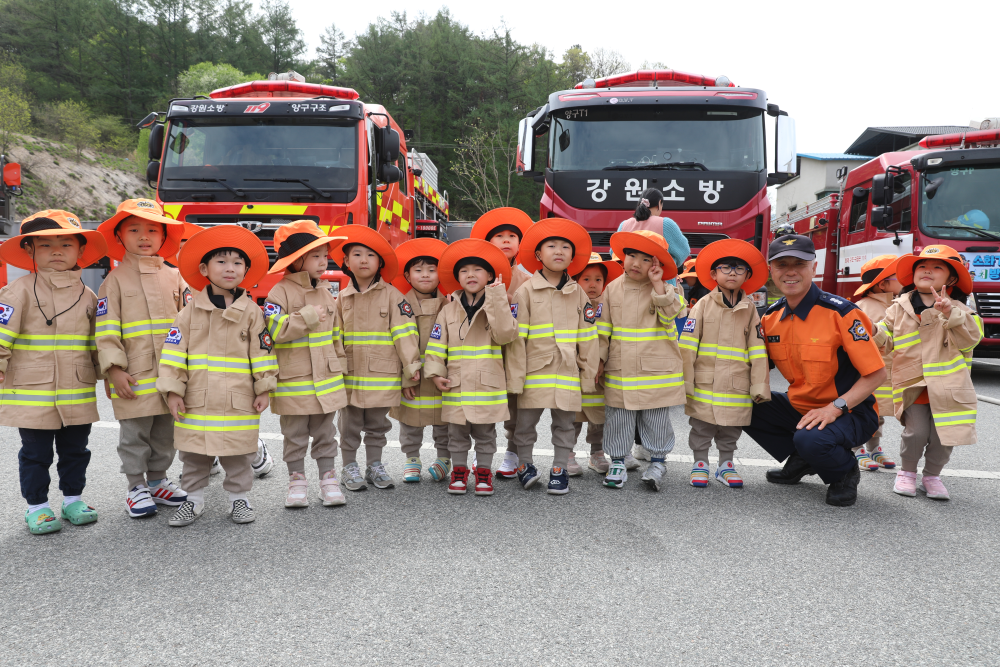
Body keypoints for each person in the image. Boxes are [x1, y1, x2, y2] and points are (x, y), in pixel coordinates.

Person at [745, 235, 886, 507]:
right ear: (771, 271)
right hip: (801, 407)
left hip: (850, 411)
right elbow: (756, 366)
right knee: (741, 403)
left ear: (814, 267)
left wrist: (834, 408)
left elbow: (877, 374)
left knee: (812, 439)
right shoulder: (770, 318)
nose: (790, 272)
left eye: (799, 263)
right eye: (782, 265)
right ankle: (804, 457)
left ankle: (844, 471)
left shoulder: (841, 313)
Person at [156, 225, 278, 526]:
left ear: (246, 271)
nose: (230, 268)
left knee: (239, 453)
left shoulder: (252, 312)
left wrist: (264, 388)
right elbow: (173, 353)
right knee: (194, 453)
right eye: (221, 261)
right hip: (196, 400)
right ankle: (193, 500)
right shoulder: (188, 312)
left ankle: (240, 500)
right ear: (204, 269)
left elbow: (262, 352)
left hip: (239, 401)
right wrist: (173, 391)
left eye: (237, 262)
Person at [0, 210, 107, 534]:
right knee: (36, 453)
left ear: (80, 250)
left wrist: (108, 373)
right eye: (46, 245)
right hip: (33, 393)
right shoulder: (18, 291)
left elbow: (97, 342)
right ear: (29, 249)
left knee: (76, 451)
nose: (56, 251)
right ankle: (37, 507)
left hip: (77, 390)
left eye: (65, 244)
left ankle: (73, 499)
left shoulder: (88, 295)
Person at [96, 199, 190, 518]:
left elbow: (189, 323)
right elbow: (106, 329)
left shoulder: (175, 277)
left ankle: (159, 480)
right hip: (133, 375)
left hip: (170, 374)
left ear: (164, 236)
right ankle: (136, 486)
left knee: (166, 430)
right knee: (134, 433)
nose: (144, 236)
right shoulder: (114, 281)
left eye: (152, 229)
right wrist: (113, 369)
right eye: (134, 230)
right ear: (119, 236)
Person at [874, 246, 982, 500]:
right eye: (922, 266)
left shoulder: (962, 310)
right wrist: (872, 330)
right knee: (916, 433)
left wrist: (950, 314)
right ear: (913, 275)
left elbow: (971, 340)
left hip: (950, 386)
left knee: (945, 436)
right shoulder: (897, 308)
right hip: (913, 385)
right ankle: (907, 473)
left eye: (937, 267)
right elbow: (886, 338)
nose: (927, 271)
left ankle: (932, 476)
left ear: (951, 279)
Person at [506, 219, 599, 494]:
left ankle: (559, 469)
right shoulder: (525, 291)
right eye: (551, 246)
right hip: (533, 372)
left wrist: (588, 374)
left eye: (565, 247)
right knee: (524, 424)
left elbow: (588, 338)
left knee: (565, 424)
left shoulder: (578, 292)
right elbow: (516, 340)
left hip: (567, 370)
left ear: (572, 256)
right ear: (538, 254)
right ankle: (524, 464)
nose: (559, 251)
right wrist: (515, 377)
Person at [263, 221, 349, 508]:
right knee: (294, 435)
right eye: (316, 256)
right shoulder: (279, 292)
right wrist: (308, 316)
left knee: (326, 433)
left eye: (325, 255)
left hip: (327, 378)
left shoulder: (325, 291)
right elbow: (275, 331)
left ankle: (328, 481)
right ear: (296, 259)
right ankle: (297, 483)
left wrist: (341, 367)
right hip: (294, 381)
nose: (324, 261)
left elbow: (336, 336)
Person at [425, 238, 518, 495]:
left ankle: (484, 472)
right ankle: (459, 471)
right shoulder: (448, 310)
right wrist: (435, 373)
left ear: (490, 276)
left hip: (487, 384)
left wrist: (497, 299)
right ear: (457, 278)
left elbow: (506, 335)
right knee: (456, 433)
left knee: (486, 433)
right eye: (464, 271)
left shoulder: (499, 303)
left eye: (478, 269)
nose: (471, 275)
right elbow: (436, 344)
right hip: (456, 383)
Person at [331, 226, 421, 491]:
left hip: (382, 375)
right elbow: (335, 336)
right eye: (357, 254)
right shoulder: (341, 298)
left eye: (370, 255)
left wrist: (410, 372)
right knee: (348, 425)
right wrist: (336, 369)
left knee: (377, 425)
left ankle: (374, 466)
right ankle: (349, 467)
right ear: (346, 261)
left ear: (380, 262)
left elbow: (406, 335)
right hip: (349, 375)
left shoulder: (393, 296)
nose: (363, 260)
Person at [598, 230, 685, 491]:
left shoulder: (667, 289)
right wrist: (599, 360)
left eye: (646, 259)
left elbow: (671, 316)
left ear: (657, 264)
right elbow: (603, 330)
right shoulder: (612, 288)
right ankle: (617, 461)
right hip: (620, 367)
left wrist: (658, 285)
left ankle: (658, 462)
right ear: (622, 257)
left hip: (656, 369)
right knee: (618, 416)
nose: (636, 263)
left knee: (656, 417)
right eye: (632, 256)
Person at [679, 239, 770, 488]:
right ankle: (700, 463)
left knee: (732, 427)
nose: (732, 273)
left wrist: (759, 385)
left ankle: (726, 464)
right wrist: (685, 382)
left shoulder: (750, 309)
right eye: (726, 268)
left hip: (737, 383)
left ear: (747, 276)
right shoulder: (702, 305)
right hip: (704, 382)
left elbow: (758, 349)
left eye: (739, 268)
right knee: (701, 426)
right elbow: (687, 346)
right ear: (713, 274)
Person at [470, 208, 534, 479]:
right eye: (499, 236)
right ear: (487, 242)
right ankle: (480, 451)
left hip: (515, 349)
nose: (506, 240)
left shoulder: (528, 281)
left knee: (516, 405)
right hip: (483, 349)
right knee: (481, 401)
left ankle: (512, 452)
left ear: (520, 244)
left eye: (512, 236)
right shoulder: (474, 273)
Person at [388, 238, 451, 483]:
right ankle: (412, 459)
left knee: (444, 421)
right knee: (410, 420)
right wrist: (405, 376)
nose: (425, 275)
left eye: (432, 270)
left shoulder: (450, 303)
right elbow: (395, 343)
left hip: (441, 374)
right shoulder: (399, 304)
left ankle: (444, 458)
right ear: (407, 275)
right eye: (418, 270)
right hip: (410, 374)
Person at [570, 252, 623, 475]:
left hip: (600, 372)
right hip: (574, 368)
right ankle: (567, 453)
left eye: (598, 279)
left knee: (599, 414)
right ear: (575, 280)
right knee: (572, 414)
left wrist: (600, 359)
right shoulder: (570, 301)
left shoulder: (606, 304)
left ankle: (597, 452)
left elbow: (606, 336)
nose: (592, 284)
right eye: (586, 279)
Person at [851, 255, 902, 472]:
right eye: (899, 276)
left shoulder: (899, 305)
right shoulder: (863, 307)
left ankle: (874, 448)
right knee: (861, 410)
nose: (905, 279)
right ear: (882, 284)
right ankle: (856, 448)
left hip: (888, 371)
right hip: (866, 371)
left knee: (878, 413)